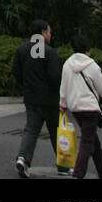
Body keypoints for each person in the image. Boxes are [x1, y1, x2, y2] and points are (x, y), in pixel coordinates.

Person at [12, 17, 65, 177]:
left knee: (31, 130)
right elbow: (56, 77)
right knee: (56, 131)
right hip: (49, 100)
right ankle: (63, 165)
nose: (51, 34)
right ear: (43, 33)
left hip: (31, 97)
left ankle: (23, 159)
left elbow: (16, 72)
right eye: (49, 31)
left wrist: (26, 85)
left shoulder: (21, 50)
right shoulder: (50, 52)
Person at [59, 34, 102, 180]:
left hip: (76, 109)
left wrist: (63, 104)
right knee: (87, 142)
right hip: (90, 109)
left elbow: (63, 87)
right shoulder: (92, 65)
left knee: (93, 141)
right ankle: (78, 174)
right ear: (87, 48)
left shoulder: (67, 64)